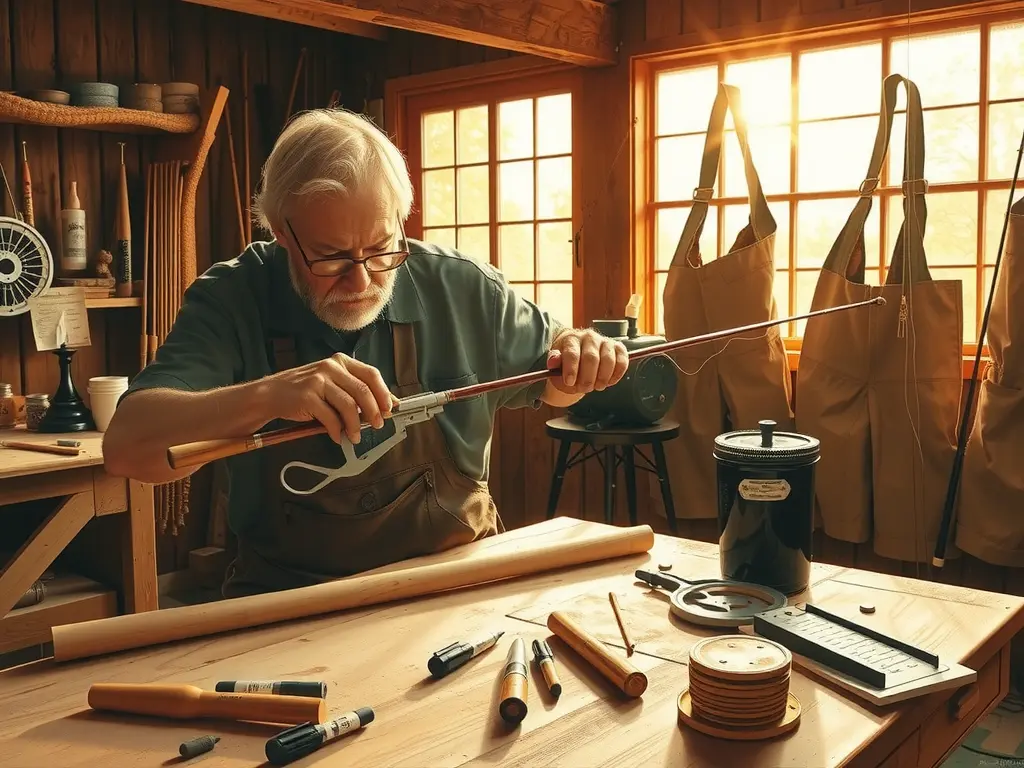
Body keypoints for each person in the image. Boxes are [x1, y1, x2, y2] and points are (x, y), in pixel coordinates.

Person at [103, 108, 629, 598]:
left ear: (401, 217)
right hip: (290, 602)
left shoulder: (461, 286)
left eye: (381, 248)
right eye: (331, 257)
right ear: (282, 232)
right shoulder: (234, 298)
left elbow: (555, 384)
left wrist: (578, 355)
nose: (361, 280)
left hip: (457, 588)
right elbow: (127, 448)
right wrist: (267, 396)